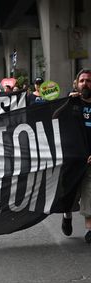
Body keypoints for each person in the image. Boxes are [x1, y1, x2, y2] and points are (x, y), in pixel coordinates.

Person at [62, 69, 91, 243]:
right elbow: (52, 119)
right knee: (69, 193)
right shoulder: (70, 103)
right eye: (82, 81)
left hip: (89, 159)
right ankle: (67, 215)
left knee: (89, 192)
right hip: (72, 158)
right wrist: (67, 102)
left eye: (88, 80)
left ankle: (89, 229)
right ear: (76, 83)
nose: (85, 84)